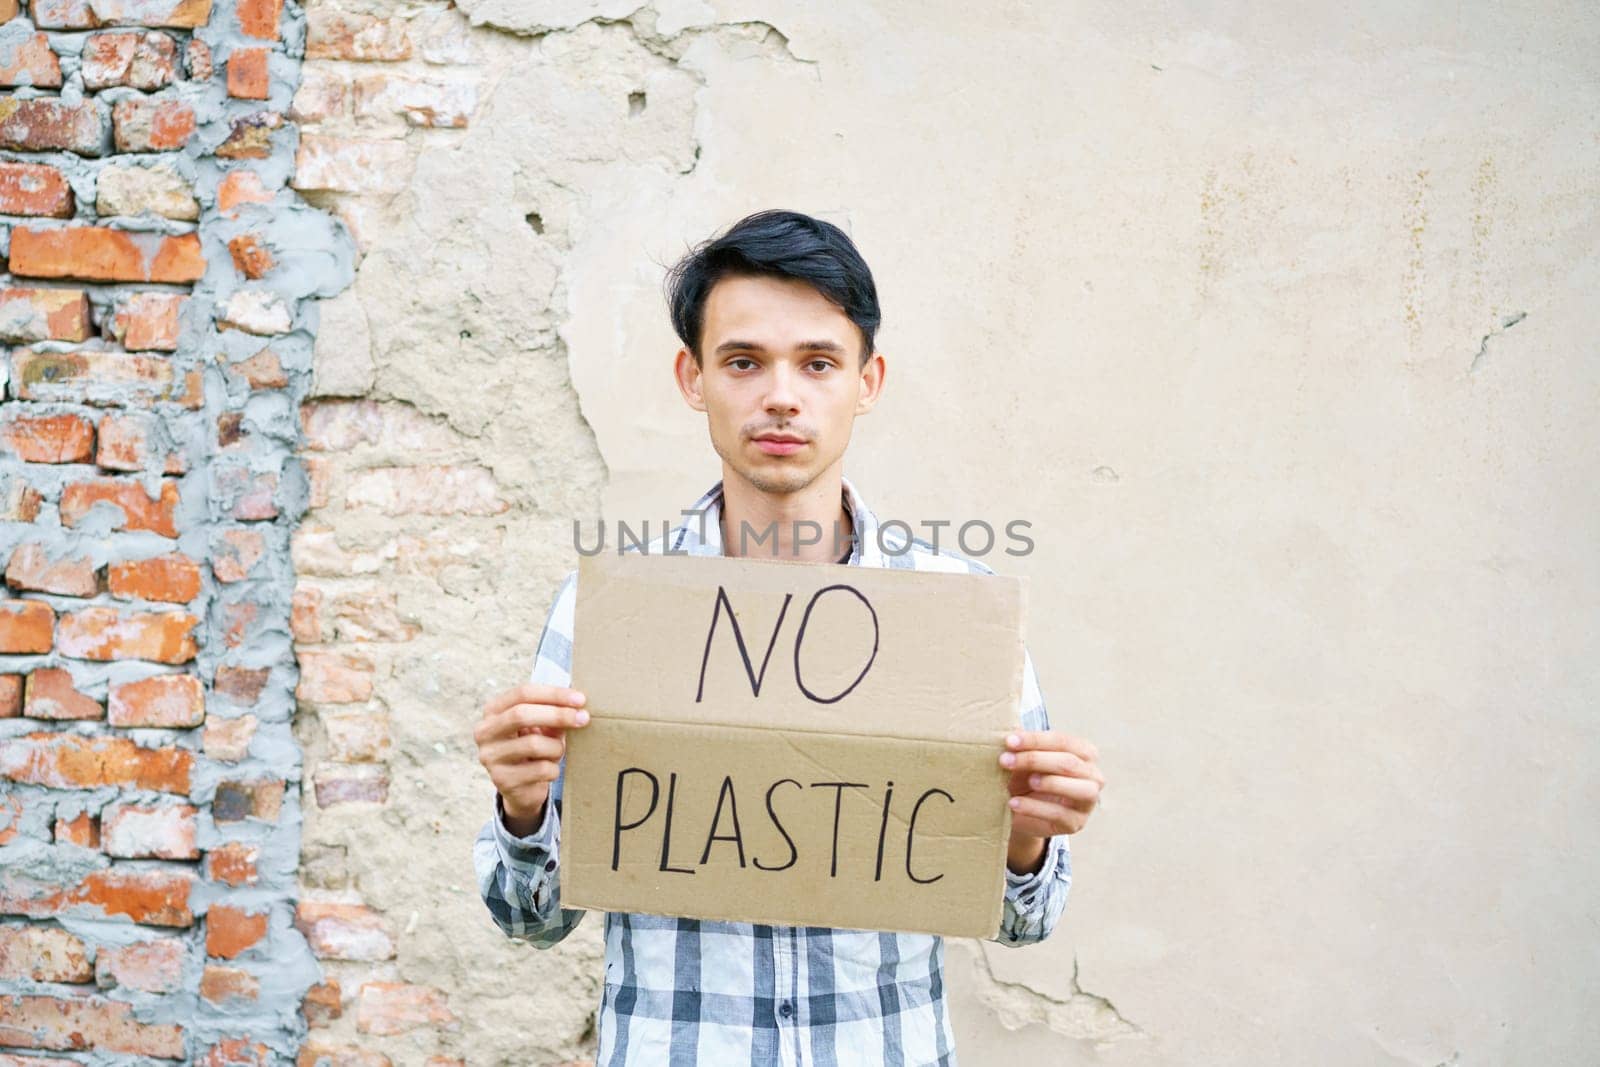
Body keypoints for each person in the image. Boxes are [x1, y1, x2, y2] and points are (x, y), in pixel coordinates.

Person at [472, 209, 1106, 1065]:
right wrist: (521, 806)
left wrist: (1027, 836)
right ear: (692, 378)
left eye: (818, 362)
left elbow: (1023, 920)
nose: (780, 395)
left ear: (867, 380)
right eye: (743, 361)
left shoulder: (956, 613)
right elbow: (529, 916)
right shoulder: (611, 612)